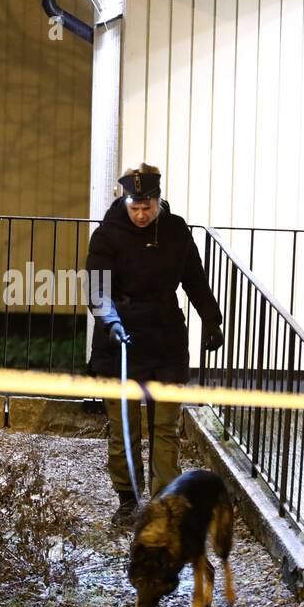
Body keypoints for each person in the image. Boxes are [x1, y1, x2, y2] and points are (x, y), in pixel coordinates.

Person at [85, 163, 224, 527]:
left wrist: (211, 319)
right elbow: (97, 291)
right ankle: (128, 499)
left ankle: (163, 501)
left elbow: (195, 279)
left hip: (165, 339)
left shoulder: (176, 232)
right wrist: (111, 322)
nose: (142, 214)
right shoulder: (107, 234)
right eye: (135, 207)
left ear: (158, 201)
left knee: (165, 426)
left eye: (148, 206)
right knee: (125, 427)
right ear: (125, 202)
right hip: (121, 342)